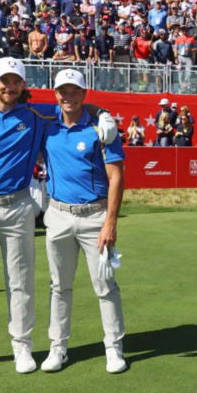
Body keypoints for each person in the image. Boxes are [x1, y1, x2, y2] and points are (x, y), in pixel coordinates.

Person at [0, 58, 117, 376]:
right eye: (5, 80)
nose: (10, 86)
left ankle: (21, 345)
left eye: (16, 81)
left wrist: (103, 113)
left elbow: (74, 104)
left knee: (20, 283)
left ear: (23, 85)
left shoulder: (37, 114)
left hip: (18, 206)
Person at [39, 69, 127, 374]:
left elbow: (116, 177)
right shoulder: (47, 123)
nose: (68, 96)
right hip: (58, 215)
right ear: (55, 94)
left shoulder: (102, 128)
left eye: (74, 91)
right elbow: (14, 103)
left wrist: (110, 223)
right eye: (62, 91)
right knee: (59, 286)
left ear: (84, 93)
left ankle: (113, 348)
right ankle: (58, 347)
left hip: (95, 216)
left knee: (105, 285)